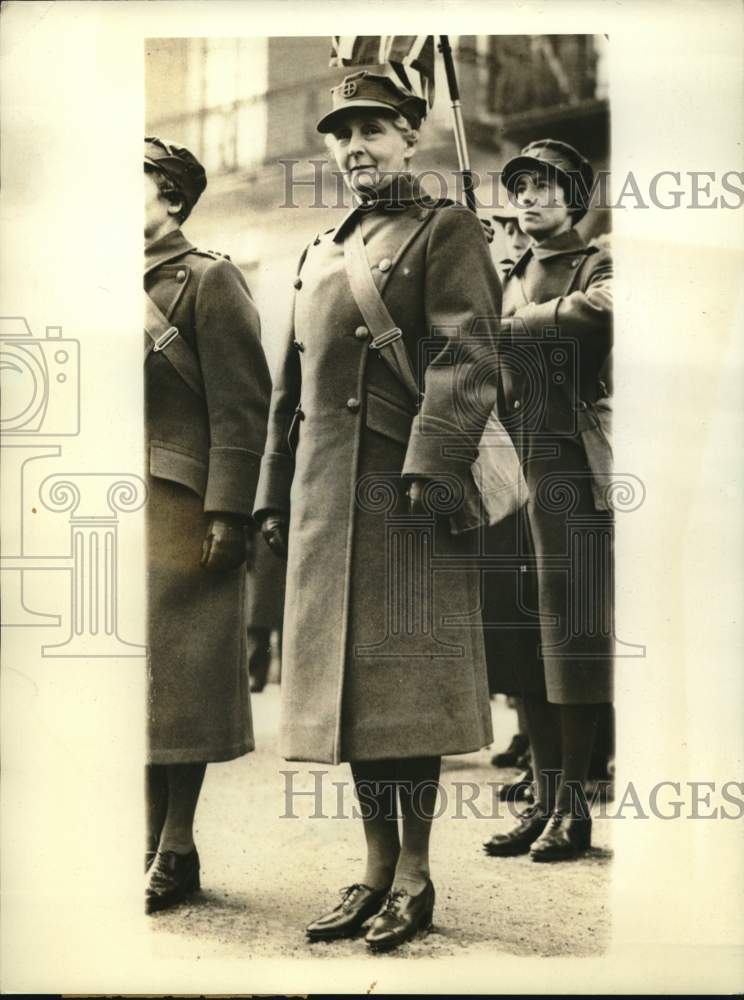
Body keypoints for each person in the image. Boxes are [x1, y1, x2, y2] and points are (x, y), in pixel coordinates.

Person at [253, 71, 501, 952]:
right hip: (326, 499)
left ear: (411, 137)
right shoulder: (321, 247)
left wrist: (431, 466)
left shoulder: (448, 229)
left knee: (407, 694)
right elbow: (292, 388)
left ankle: (417, 874)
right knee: (351, 699)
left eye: (373, 131)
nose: (354, 148)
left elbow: (468, 355)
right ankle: (372, 867)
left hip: (401, 494)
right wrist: (271, 492)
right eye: (341, 134)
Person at [144, 137, 272, 911]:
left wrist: (229, 510)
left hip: (180, 505)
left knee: (180, 684)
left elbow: (243, 404)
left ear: (172, 199)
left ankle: (176, 845)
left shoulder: (209, 278)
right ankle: (140, 836)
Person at [483, 139, 613, 861]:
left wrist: (519, 323)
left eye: (546, 186)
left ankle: (574, 809)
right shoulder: (506, 268)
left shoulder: (601, 260)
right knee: (517, 632)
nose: (530, 197)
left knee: (570, 632)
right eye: (521, 186)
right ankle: (539, 797)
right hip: (510, 457)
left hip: (567, 453)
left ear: (574, 196)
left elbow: (601, 313)